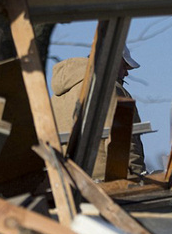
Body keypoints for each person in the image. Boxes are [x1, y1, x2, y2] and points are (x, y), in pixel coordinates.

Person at [50, 45, 146, 179]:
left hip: (66, 179)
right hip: (104, 180)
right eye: (124, 66)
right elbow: (123, 138)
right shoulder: (109, 88)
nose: (126, 73)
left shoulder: (56, 98)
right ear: (113, 60)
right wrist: (135, 176)